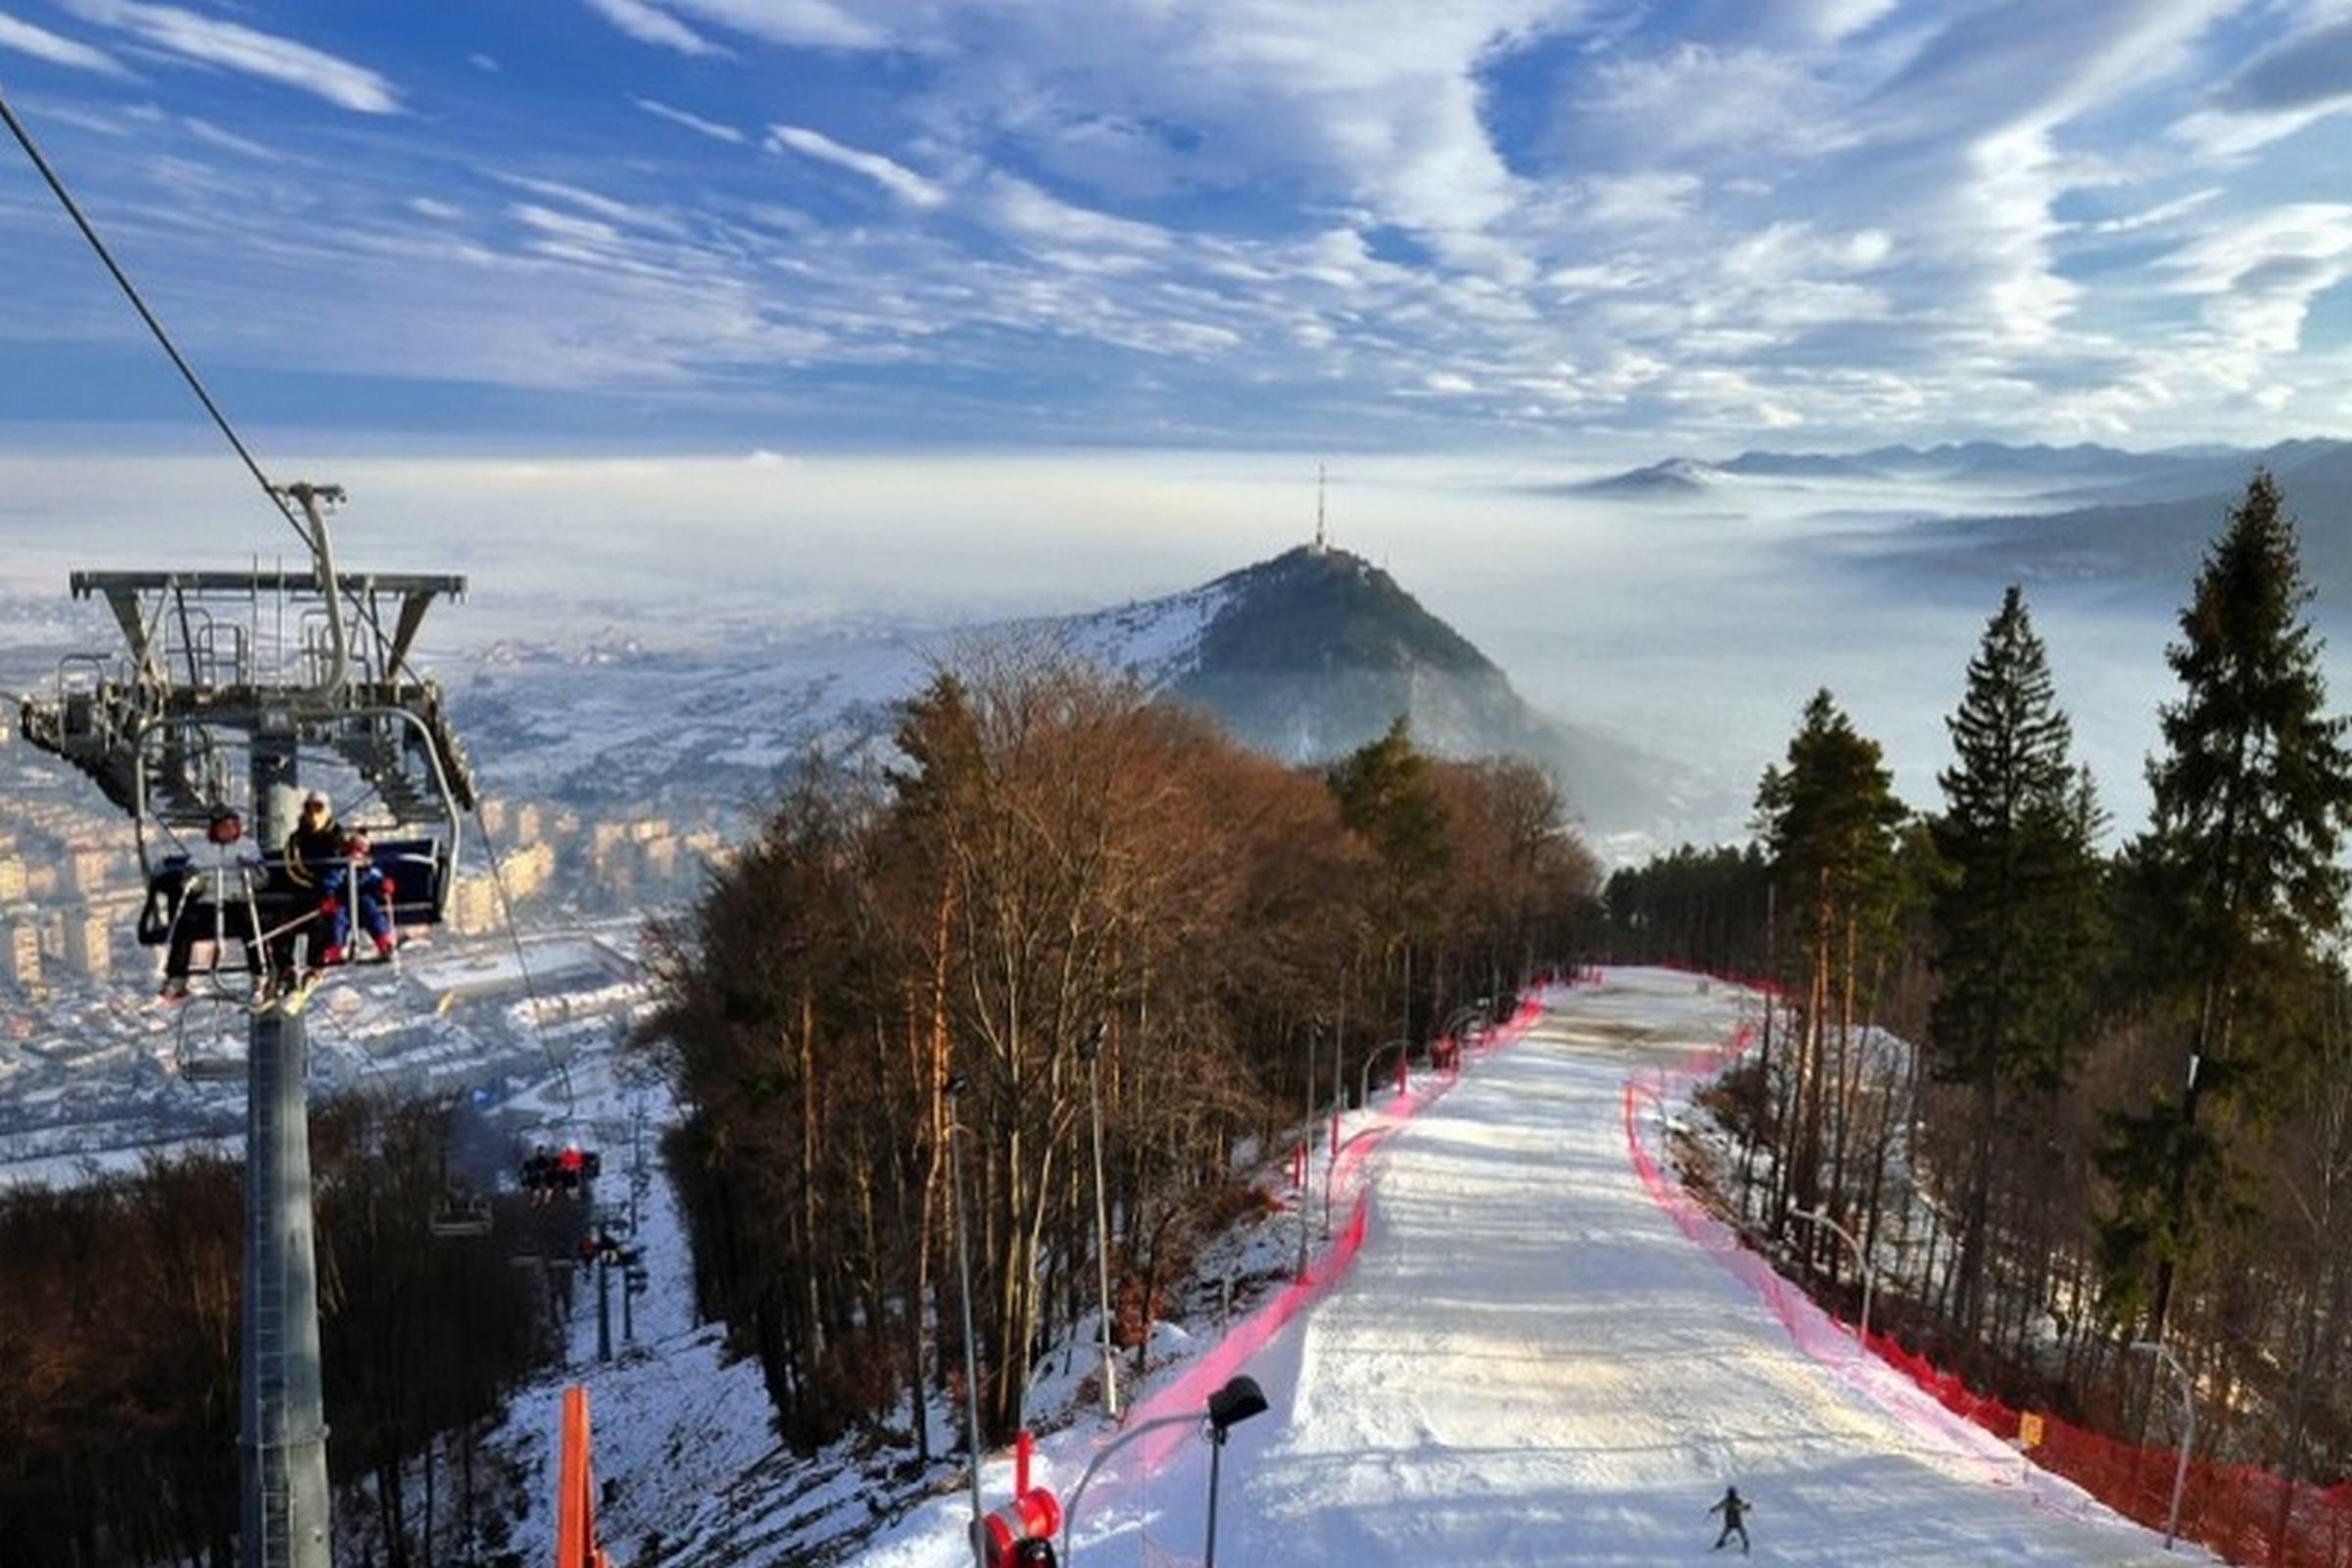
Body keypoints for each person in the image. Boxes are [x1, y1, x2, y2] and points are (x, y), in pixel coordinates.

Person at [155, 806, 270, 1003]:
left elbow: (262, 881)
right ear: (215, 828)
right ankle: (177, 977)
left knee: (252, 928)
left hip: (237, 899)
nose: (229, 829)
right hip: (209, 902)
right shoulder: (201, 850)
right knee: (185, 925)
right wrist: (193, 878)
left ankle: (260, 976)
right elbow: (194, 885)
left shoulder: (248, 847)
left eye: (233, 825)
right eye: (224, 826)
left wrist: (251, 870)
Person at [1709, 1486, 1751, 1554]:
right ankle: (1745, 1543)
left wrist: (1714, 1509)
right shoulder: (1733, 1501)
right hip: (1734, 1521)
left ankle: (1721, 1542)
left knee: (1734, 1532)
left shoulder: (1730, 1501)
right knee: (1739, 1532)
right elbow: (1742, 1507)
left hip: (1732, 1521)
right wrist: (1747, 1507)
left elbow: (1720, 1506)